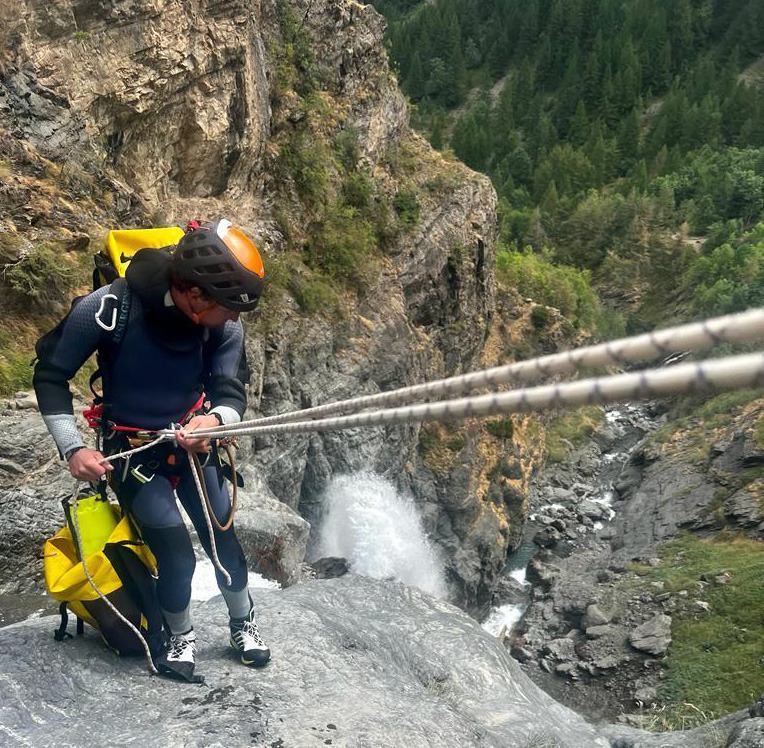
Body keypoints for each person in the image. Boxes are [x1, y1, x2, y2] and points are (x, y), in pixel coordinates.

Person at [33, 219, 269, 682]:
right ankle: (180, 635)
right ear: (196, 297)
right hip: (135, 454)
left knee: (225, 544)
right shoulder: (107, 308)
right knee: (176, 555)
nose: (236, 319)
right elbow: (50, 376)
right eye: (229, 308)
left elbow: (229, 391)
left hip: (195, 449)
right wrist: (73, 450)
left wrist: (216, 421)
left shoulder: (222, 329)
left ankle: (243, 623)